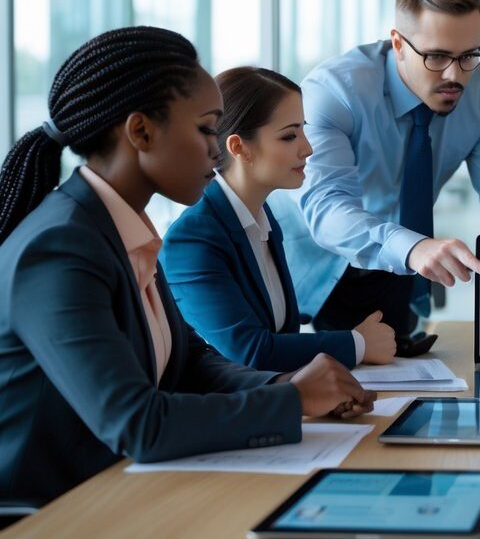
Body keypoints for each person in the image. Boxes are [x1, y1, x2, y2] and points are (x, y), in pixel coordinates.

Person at [0, 27, 375, 508]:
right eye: (205, 130)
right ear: (141, 132)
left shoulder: (121, 228)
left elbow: (190, 364)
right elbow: (138, 423)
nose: (217, 152)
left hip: (123, 491)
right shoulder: (59, 248)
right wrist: (292, 401)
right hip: (54, 515)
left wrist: (285, 385)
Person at [271, 0, 480, 350]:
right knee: (301, 387)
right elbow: (327, 209)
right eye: (437, 56)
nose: (454, 75)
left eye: (468, 56)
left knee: (395, 388)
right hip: (303, 257)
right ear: (398, 43)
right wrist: (413, 248)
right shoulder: (333, 91)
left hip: (393, 261)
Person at [160, 67, 397, 372]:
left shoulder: (262, 217)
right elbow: (248, 352)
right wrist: (358, 344)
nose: (308, 149)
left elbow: (282, 337)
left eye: (303, 130)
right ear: (238, 147)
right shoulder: (193, 238)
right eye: (289, 136)